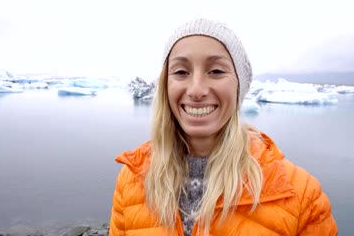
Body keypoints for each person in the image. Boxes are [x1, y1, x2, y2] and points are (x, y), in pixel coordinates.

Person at [109, 19, 338, 235]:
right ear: (165, 85)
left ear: (240, 87)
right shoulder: (132, 179)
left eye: (216, 71)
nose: (196, 90)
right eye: (181, 72)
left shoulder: (302, 195)